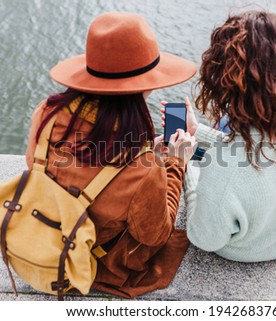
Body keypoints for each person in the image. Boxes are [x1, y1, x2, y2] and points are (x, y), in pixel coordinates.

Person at [25, 12, 196, 298]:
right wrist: (175, 161)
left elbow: (42, 166)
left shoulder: (47, 113)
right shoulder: (141, 168)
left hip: (43, 232)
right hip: (95, 257)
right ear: (143, 84)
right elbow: (155, 235)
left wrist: (143, 152)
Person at [162, 11, 276, 262]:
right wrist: (197, 132)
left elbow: (203, 237)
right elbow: (257, 151)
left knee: (197, 162)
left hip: (241, 250)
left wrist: (189, 170)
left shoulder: (226, 166)